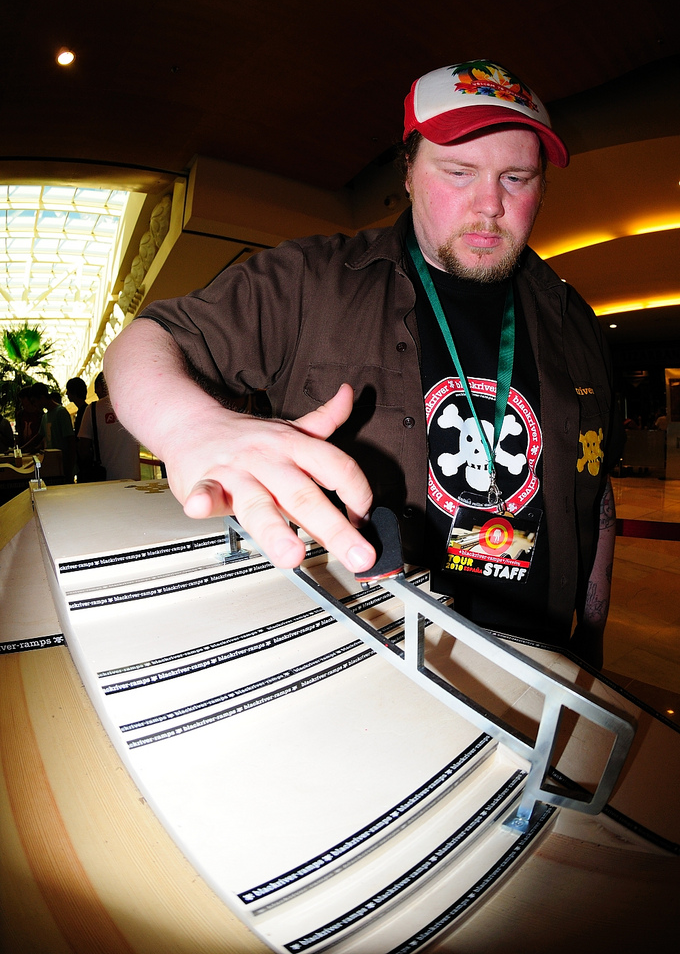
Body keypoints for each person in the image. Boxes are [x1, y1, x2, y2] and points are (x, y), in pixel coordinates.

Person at [105, 59, 620, 668]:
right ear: (408, 173)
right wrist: (189, 427)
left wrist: (590, 639)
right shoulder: (311, 280)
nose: (489, 205)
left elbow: (595, 497)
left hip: (538, 659)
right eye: (459, 172)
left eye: (516, 177)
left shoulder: (572, 316)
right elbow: (148, 339)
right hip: (366, 650)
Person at [78, 371, 141, 481]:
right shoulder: (135, 406)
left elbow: (84, 448)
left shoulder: (93, 409)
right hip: (133, 477)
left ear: (101, 385)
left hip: (104, 479)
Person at [31, 382, 76, 482]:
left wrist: (70, 467)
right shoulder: (45, 417)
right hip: (52, 465)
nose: (35, 405)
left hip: (63, 465)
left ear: (42, 398)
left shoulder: (61, 412)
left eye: (35, 401)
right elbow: (39, 436)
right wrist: (22, 449)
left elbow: (71, 441)